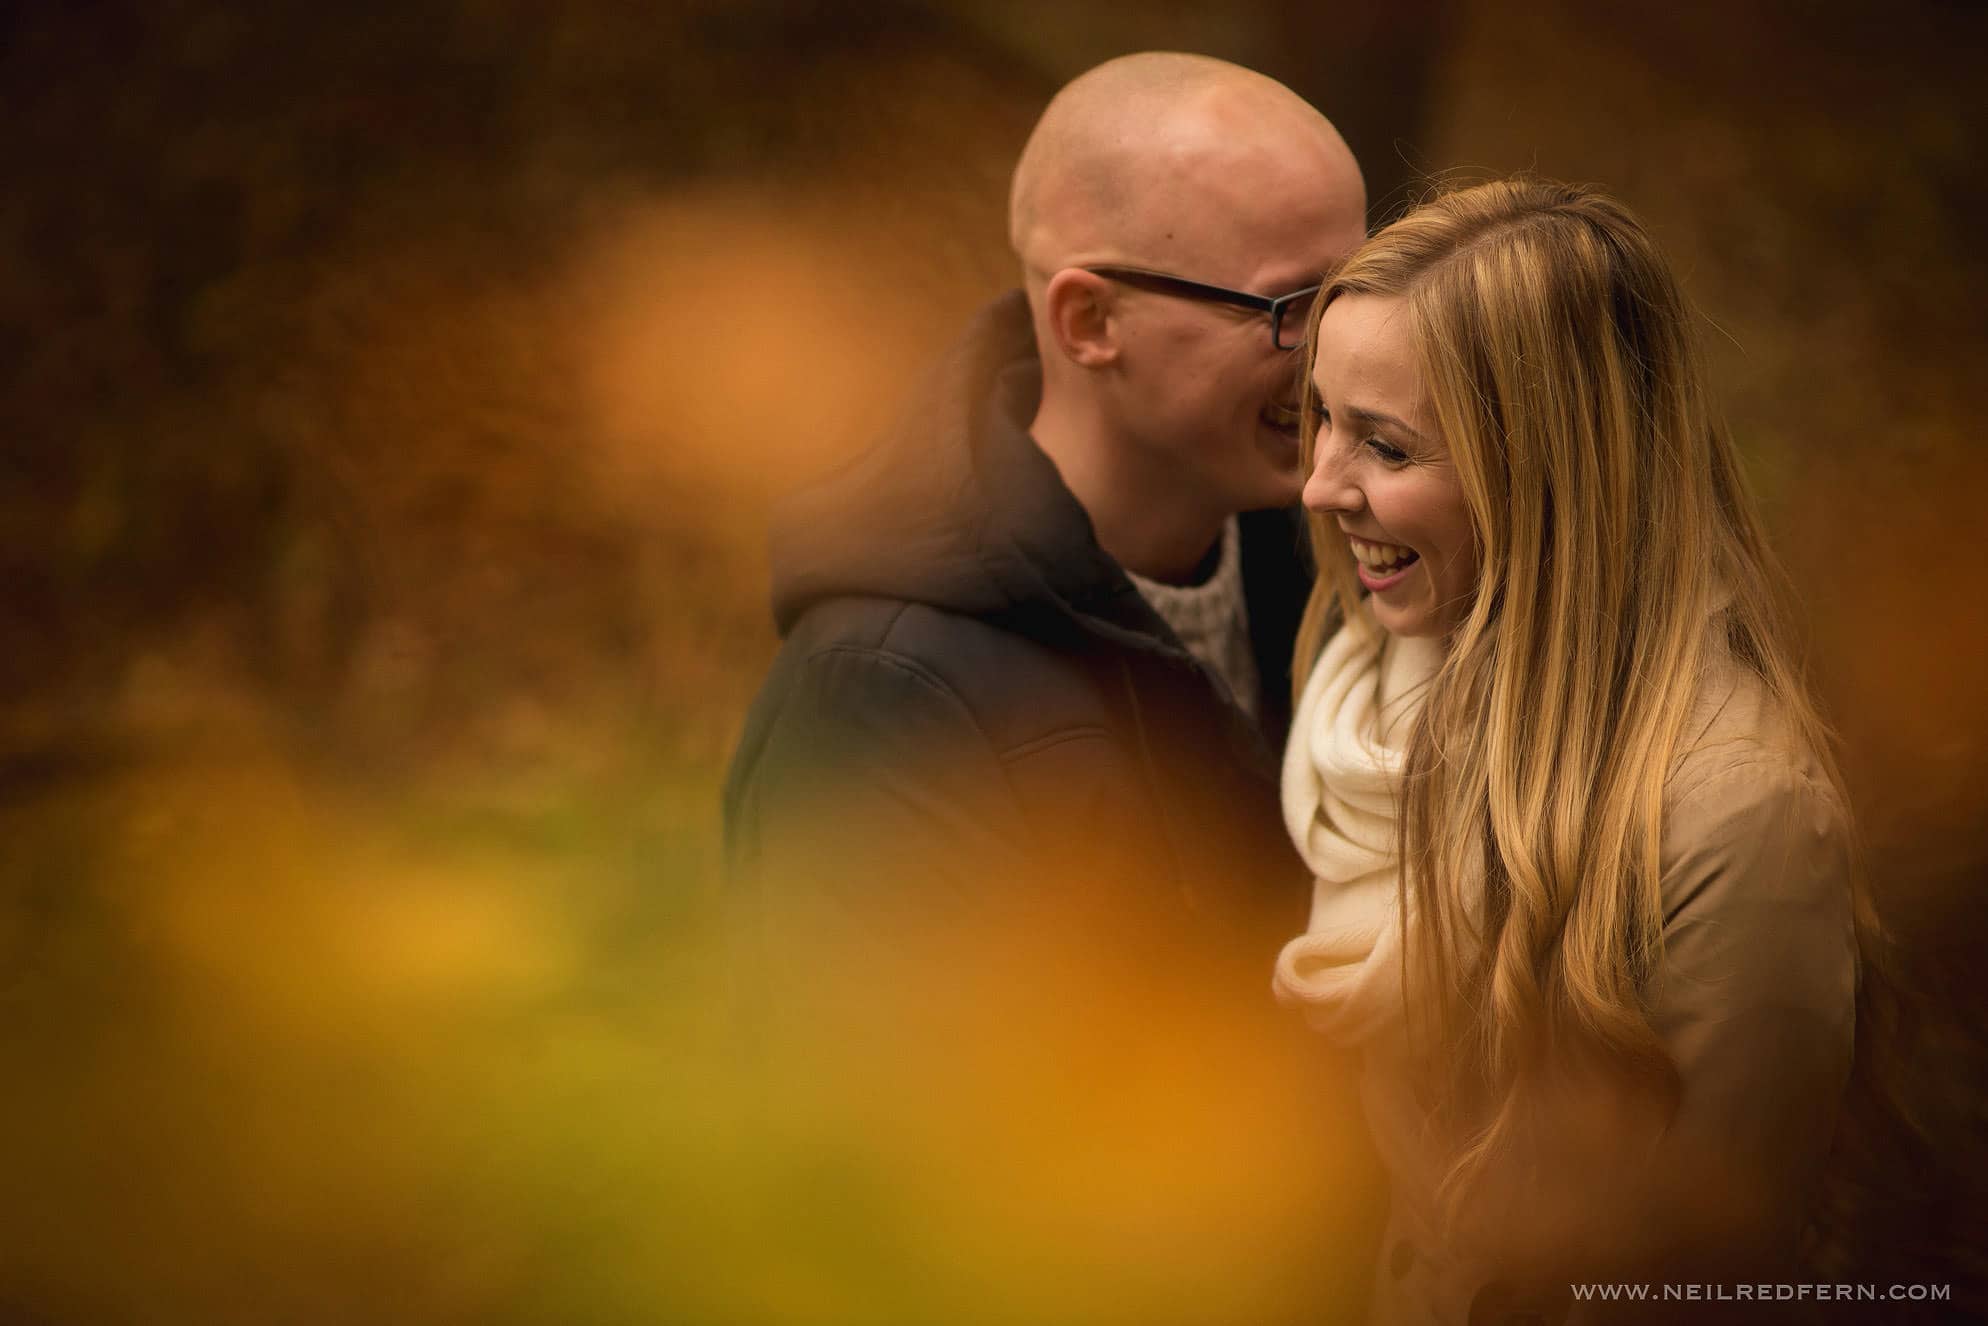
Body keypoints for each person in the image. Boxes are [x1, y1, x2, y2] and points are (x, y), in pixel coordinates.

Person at [721, 53, 1378, 1316]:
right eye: (1292, 307)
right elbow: (896, 1220)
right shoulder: (882, 697)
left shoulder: (1351, 560)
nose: (1345, 347)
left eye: (1363, 285)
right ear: (1088, 323)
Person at [1274, 178, 1861, 1323]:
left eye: (1385, 445)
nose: (1317, 481)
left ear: (1542, 473)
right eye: (1322, 416)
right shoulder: (1367, 673)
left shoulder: (1736, 820)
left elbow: (1712, 1267)